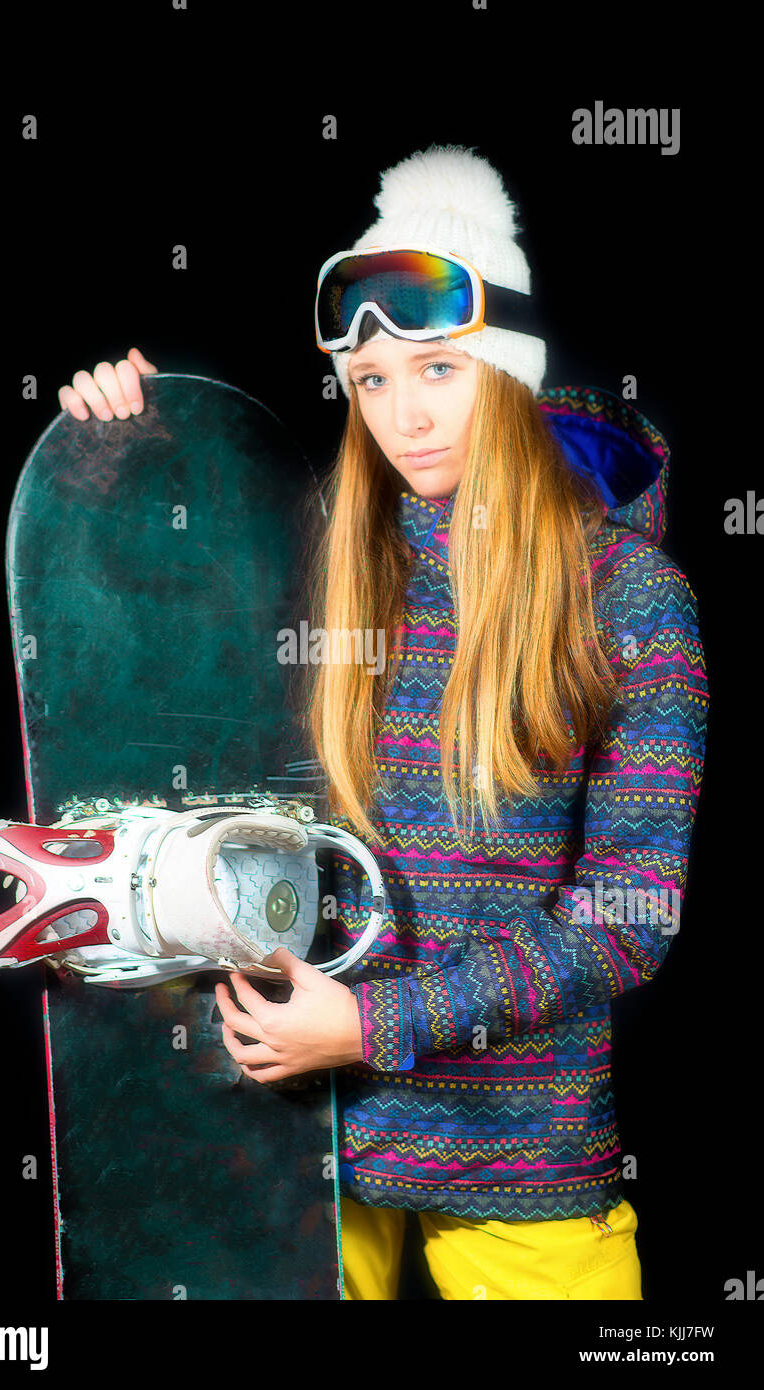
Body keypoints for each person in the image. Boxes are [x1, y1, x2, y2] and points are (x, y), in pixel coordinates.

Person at [57, 145, 708, 1301]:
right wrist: (120, 462)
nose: (403, 416)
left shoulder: (632, 599)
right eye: (370, 383)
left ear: (504, 370)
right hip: (310, 1142)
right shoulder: (339, 562)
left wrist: (371, 1021)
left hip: (520, 1158)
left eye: (438, 372)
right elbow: (174, 648)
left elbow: (630, 916)